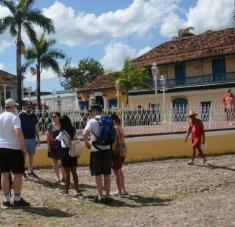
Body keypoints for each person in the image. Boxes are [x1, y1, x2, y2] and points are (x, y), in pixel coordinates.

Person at [0, 98, 30, 208]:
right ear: (12, 107)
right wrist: (23, 148)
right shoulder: (14, 117)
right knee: (18, 174)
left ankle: (6, 200)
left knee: (4, 174)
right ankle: (17, 199)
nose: (16, 108)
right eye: (15, 107)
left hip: (1, 148)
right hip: (14, 149)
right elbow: (18, 133)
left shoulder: (0, 117)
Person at [83, 104, 113, 203]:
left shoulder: (92, 121)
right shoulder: (108, 120)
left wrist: (87, 143)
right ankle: (108, 196)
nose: (90, 113)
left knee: (98, 175)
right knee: (107, 174)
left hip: (96, 151)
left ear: (95, 111)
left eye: (91, 111)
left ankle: (101, 196)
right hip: (107, 149)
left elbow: (85, 133)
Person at [56, 115, 79, 196]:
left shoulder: (62, 132)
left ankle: (66, 190)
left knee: (67, 173)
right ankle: (77, 190)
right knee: (74, 172)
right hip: (73, 151)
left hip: (65, 152)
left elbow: (56, 140)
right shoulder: (73, 130)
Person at [19, 102, 40, 177]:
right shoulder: (21, 115)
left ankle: (30, 171)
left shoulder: (34, 116)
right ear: (25, 107)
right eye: (28, 107)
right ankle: (21, 171)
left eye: (30, 107)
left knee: (31, 156)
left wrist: (38, 138)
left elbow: (36, 128)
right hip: (23, 139)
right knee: (23, 156)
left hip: (32, 139)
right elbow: (18, 128)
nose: (29, 108)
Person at [111, 113, 128, 196]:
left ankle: (119, 191)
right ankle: (123, 189)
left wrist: (112, 151)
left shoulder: (115, 128)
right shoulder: (121, 128)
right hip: (124, 148)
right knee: (120, 170)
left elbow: (114, 141)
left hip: (118, 150)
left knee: (116, 171)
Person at [46, 112, 65, 182]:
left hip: (62, 145)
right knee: (55, 162)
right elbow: (48, 137)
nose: (53, 118)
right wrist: (48, 147)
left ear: (59, 117)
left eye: (55, 116)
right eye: (52, 117)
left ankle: (63, 177)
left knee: (63, 162)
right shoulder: (50, 126)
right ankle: (58, 177)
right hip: (53, 146)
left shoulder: (63, 125)